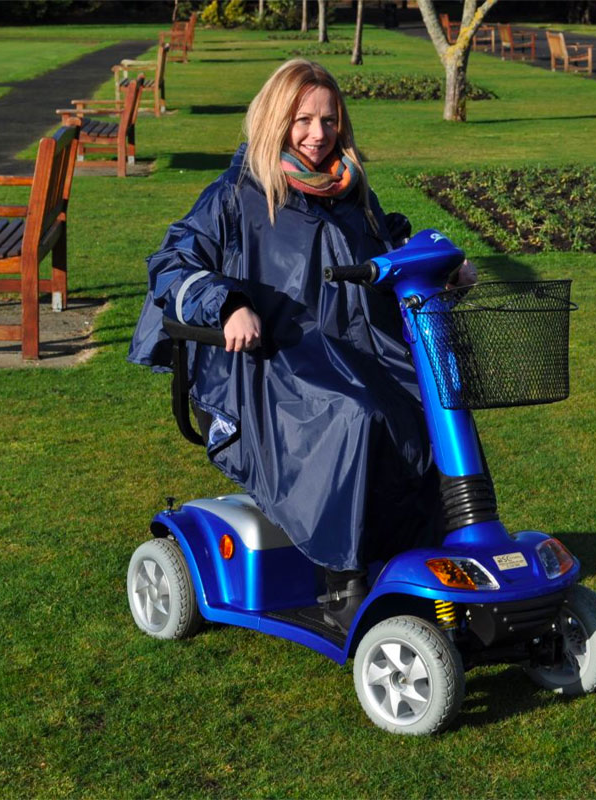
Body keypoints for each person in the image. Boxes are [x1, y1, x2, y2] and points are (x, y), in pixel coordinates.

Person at [129, 59, 473, 633]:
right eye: (303, 120)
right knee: (352, 417)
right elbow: (172, 264)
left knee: (433, 403)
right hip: (269, 366)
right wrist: (228, 304)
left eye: (330, 120)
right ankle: (344, 581)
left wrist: (441, 271)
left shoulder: (352, 193)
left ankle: (424, 556)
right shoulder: (237, 196)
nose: (319, 134)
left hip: (359, 353)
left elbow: (387, 251)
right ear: (274, 121)